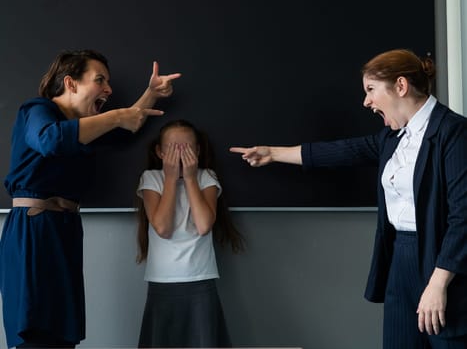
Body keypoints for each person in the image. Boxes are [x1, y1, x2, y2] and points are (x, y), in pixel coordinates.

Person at [230, 49, 467, 348]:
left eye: (371, 90)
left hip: (441, 263)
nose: (366, 101)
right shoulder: (391, 138)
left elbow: (463, 217)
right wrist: (273, 153)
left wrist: (438, 283)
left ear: (401, 86)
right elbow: (341, 151)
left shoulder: (454, 133)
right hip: (399, 257)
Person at [0, 49, 181, 348]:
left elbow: (128, 126)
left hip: (65, 230)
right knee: (34, 329)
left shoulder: (89, 125)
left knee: (62, 332)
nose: (108, 89)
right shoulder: (37, 109)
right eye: (100, 80)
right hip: (33, 230)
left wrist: (150, 94)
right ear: (70, 84)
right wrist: (116, 115)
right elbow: (50, 139)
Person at [135, 119, 244, 348]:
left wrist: (191, 178)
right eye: (173, 149)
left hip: (200, 280)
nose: (179, 154)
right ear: (160, 152)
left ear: (197, 151)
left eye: (186, 148)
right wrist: (172, 179)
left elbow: (204, 225)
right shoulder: (151, 179)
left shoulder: (206, 177)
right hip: (162, 281)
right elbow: (162, 228)